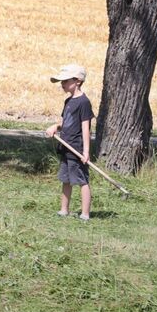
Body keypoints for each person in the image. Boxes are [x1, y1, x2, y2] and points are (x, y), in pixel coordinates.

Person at [45, 64, 94, 221]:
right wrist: (55, 127)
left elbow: (85, 128)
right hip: (65, 146)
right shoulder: (68, 101)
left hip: (77, 148)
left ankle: (85, 213)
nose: (62, 84)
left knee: (81, 180)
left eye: (65, 81)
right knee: (65, 179)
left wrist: (86, 152)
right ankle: (64, 210)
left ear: (77, 81)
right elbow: (65, 122)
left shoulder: (84, 102)